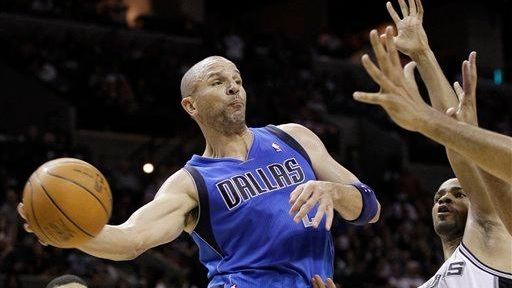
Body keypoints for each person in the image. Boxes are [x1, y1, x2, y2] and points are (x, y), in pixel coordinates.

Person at [19, 56, 381, 287]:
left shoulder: (295, 137)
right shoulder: (190, 183)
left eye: (237, 79)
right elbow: (131, 240)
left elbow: (369, 207)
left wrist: (335, 192)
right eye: (217, 81)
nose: (233, 86)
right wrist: (68, 232)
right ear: (190, 105)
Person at [353, 1, 512, 286]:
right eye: (439, 196)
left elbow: (461, 149)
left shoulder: (493, 231)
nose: (445, 199)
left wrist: (422, 54)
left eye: (459, 194)